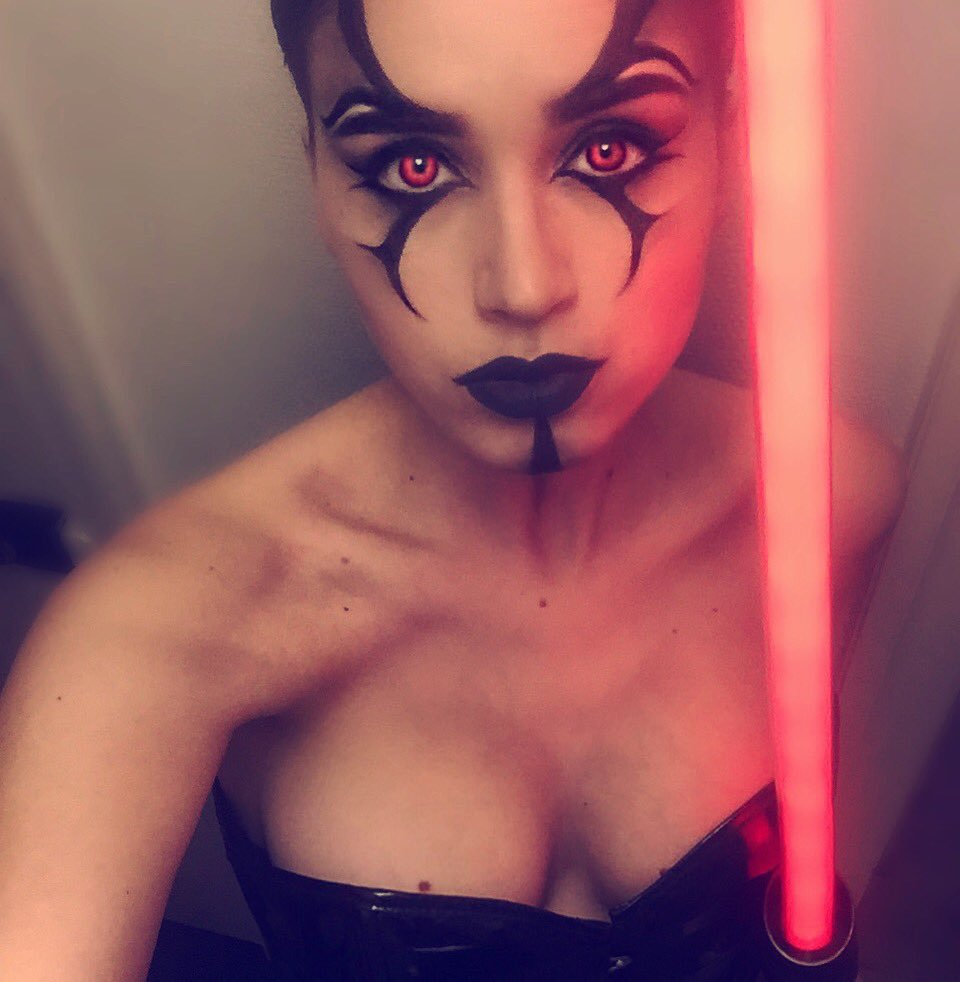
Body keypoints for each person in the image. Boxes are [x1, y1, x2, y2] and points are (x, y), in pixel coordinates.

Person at [0, 0, 904, 978]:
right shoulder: (162, 627)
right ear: (317, 176)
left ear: (733, 137)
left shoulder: (829, 501)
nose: (521, 285)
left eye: (609, 148)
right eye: (413, 166)